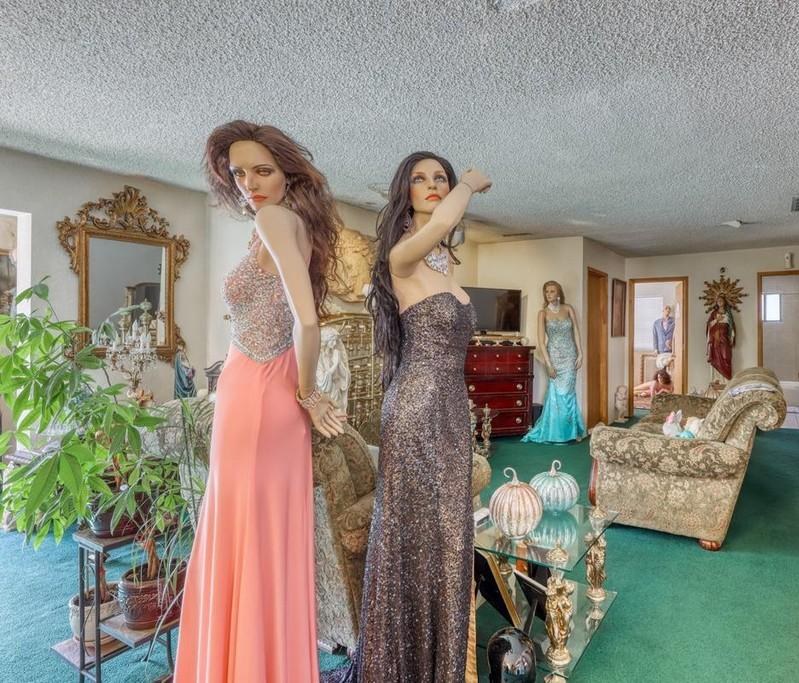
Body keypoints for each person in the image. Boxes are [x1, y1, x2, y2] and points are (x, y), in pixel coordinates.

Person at [175, 121, 347, 682]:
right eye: (239, 172)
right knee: (263, 536)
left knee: (243, 530)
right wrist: (302, 393)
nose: (249, 182)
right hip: (262, 393)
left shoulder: (275, 220)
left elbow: (307, 319)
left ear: (287, 172)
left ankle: (235, 666)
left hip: (259, 393)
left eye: (262, 170)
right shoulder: (289, 224)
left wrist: (307, 391)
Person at [330, 152, 491, 682]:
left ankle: (440, 665)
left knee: (447, 539)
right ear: (406, 191)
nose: (432, 186)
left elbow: (446, 230)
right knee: (421, 537)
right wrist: (466, 184)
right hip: (418, 410)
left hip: (448, 409)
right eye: (420, 179)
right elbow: (445, 220)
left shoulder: (444, 264)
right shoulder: (401, 255)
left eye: (439, 178)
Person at [521, 280, 587, 444]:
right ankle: (555, 433)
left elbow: (576, 333)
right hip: (554, 357)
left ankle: (571, 432)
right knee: (557, 394)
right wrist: (548, 364)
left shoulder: (568, 308)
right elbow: (542, 342)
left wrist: (581, 353)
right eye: (547, 291)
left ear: (558, 293)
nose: (549, 294)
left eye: (552, 291)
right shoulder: (542, 313)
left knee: (568, 394)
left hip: (570, 355)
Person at [706, 295, 736, 380]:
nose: (719, 302)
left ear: (724, 302)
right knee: (716, 358)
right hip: (715, 340)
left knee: (726, 357)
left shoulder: (728, 313)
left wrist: (732, 336)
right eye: (718, 301)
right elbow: (709, 325)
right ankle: (716, 380)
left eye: (721, 300)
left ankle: (726, 381)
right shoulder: (714, 313)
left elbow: (732, 327)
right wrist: (717, 320)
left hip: (725, 338)